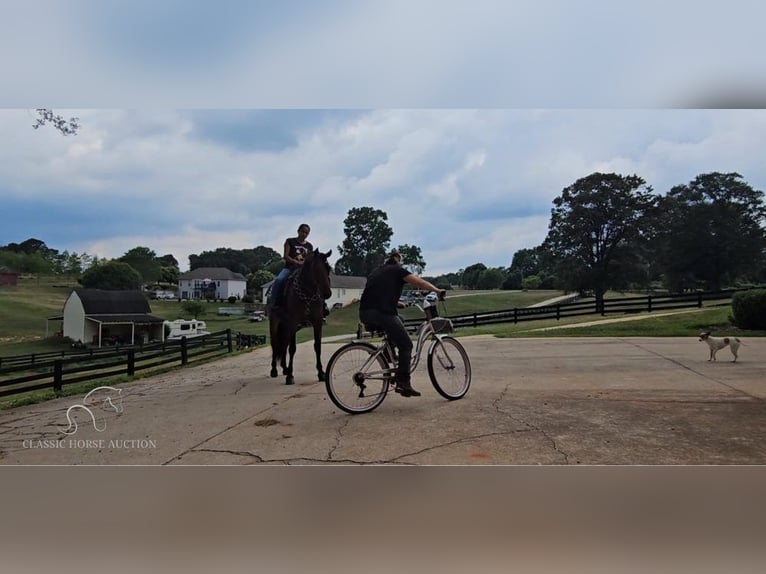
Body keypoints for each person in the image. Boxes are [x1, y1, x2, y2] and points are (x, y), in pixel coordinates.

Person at [359, 251, 446, 397]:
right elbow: (419, 282)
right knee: (406, 345)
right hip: (382, 314)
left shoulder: (377, 271)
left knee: (401, 319)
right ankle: (403, 382)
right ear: (397, 260)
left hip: (365, 313)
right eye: (401, 261)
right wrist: (437, 290)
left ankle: (389, 351)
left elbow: (377, 292)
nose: (401, 263)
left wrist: (397, 302)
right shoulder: (397, 270)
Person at [270, 223, 313, 308]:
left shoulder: (309, 246)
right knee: (279, 280)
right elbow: (286, 256)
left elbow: (309, 259)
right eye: (302, 232)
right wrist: (296, 262)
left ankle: (320, 305)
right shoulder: (290, 241)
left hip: (303, 270)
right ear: (298, 231)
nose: (304, 234)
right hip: (290, 268)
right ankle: (273, 302)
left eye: (306, 233)